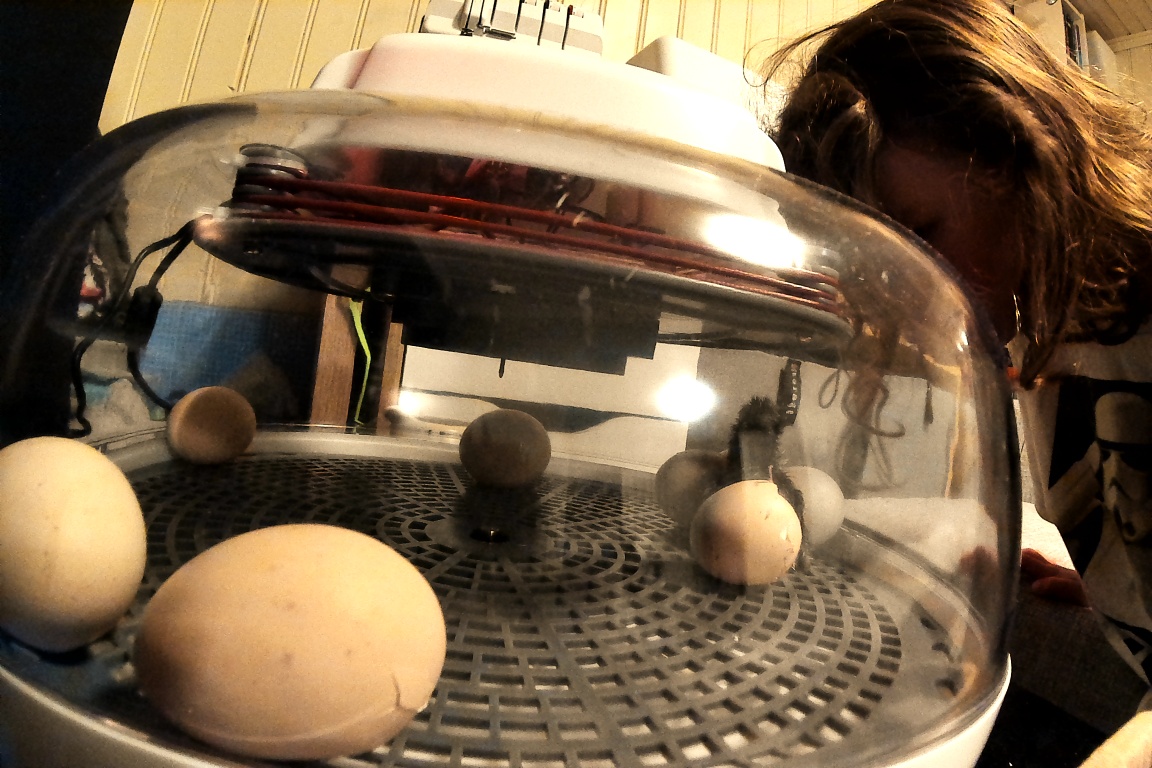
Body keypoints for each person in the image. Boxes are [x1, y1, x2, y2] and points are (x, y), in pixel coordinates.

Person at [763, 0, 1152, 764]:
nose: (906, 294)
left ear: (1020, 155)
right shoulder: (1044, 324)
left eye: (924, 232)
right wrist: (1118, 584)